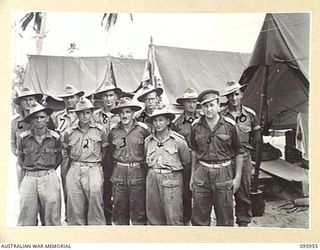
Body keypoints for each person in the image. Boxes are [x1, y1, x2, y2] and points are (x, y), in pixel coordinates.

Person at [190, 89, 244, 226]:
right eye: (205, 106)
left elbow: (239, 152)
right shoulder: (196, 126)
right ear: (201, 108)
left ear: (218, 105)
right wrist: (192, 176)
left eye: (212, 105)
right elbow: (194, 151)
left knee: (225, 217)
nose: (209, 109)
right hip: (202, 173)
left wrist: (237, 178)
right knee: (199, 218)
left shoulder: (229, 125)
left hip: (223, 173)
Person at [221, 81, 261, 227]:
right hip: (225, 158)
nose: (234, 98)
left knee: (243, 191)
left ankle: (243, 222)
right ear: (227, 98)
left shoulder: (250, 114)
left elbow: (256, 138)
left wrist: (253, 159)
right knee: (224, 192)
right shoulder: (221, 115)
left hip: (244, 158)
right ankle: (226, 223)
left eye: (236, 94)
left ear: (241, 95)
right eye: (230, 95)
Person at [63, 97, 107, 225]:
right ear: (77, 114)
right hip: (75, 167)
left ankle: (96, 231)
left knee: (95, 200)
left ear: (92, 113)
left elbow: (105, 152)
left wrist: (95, 164)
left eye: (88, 112)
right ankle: (78, 233)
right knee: (75, 202)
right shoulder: (69, 132)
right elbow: (66, 154)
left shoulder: (100, 130)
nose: (85, 115)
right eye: (81, 112)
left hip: (93, 168)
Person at [16, 103, 62, 226]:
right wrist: (30, 170)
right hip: (30, 177)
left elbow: (59, 158)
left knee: (52, 215)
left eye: (42, 117)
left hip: (49, 177)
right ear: (31, 120)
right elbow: (20, 157)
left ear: (47, 119)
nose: (39, 120)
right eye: (36, 118)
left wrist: (48, 171)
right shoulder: (23, 138)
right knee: (26, 216)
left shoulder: (55, 137)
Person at [145, 108, 190, 225]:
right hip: (153, 179)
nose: (158, 124)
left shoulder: (178, 140)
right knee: (154, 216)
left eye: (161, 120)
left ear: (168, 121)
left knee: (173, 217)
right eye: (155, 121)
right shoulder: (148, 141)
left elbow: (186, 161)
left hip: (171, 180)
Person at [108, 97, 149, 225]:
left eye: (127, 112)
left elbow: (148, 152)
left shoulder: (143, 130)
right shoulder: (113, 131)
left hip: (137, 172)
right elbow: (109, 154)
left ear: (132, 113)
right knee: (119, 211)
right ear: (118, 114)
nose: (124, 115)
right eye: (121, 112)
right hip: (119, 173)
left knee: (138, 211)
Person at [51, 84, 84, 220]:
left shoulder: (84, 114)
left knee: (85, 187)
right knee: (67, 186)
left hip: (83, 153)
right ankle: (70, 217)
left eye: (72, 97)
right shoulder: (57, 117)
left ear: (77, 98)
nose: (69, 100)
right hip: (65, 156)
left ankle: (84, 216)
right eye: (66, 98)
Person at [92, 82, 122, 224]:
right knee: (103, 187)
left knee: (120, 189)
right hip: (102, 156)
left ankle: (120, 218)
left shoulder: (122, 114)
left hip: (119, 156)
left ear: (116, 97)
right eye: (106, 96)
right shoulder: (95, 116)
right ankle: (106, 219)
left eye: (111, 95)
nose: (109, 99)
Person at [172, 87, 201, 225]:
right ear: (183, 103)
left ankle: (200, 222)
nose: (191, 105)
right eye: (188, 101)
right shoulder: (177, 124)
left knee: (201, 193)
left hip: (201, 162)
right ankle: (186, 220)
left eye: (194, 101)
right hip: (185, 163)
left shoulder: (203, 120)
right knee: (185, 194)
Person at [11, 87, 43, 187]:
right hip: (23, 162)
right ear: (20, 102)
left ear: (35, 100)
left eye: (31, 99)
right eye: (25, 100)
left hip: (42, 163)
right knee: (25, 195)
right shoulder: (15, 122)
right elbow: (12, 143)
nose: (28, 102)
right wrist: (20, 156)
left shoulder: (43, 118)